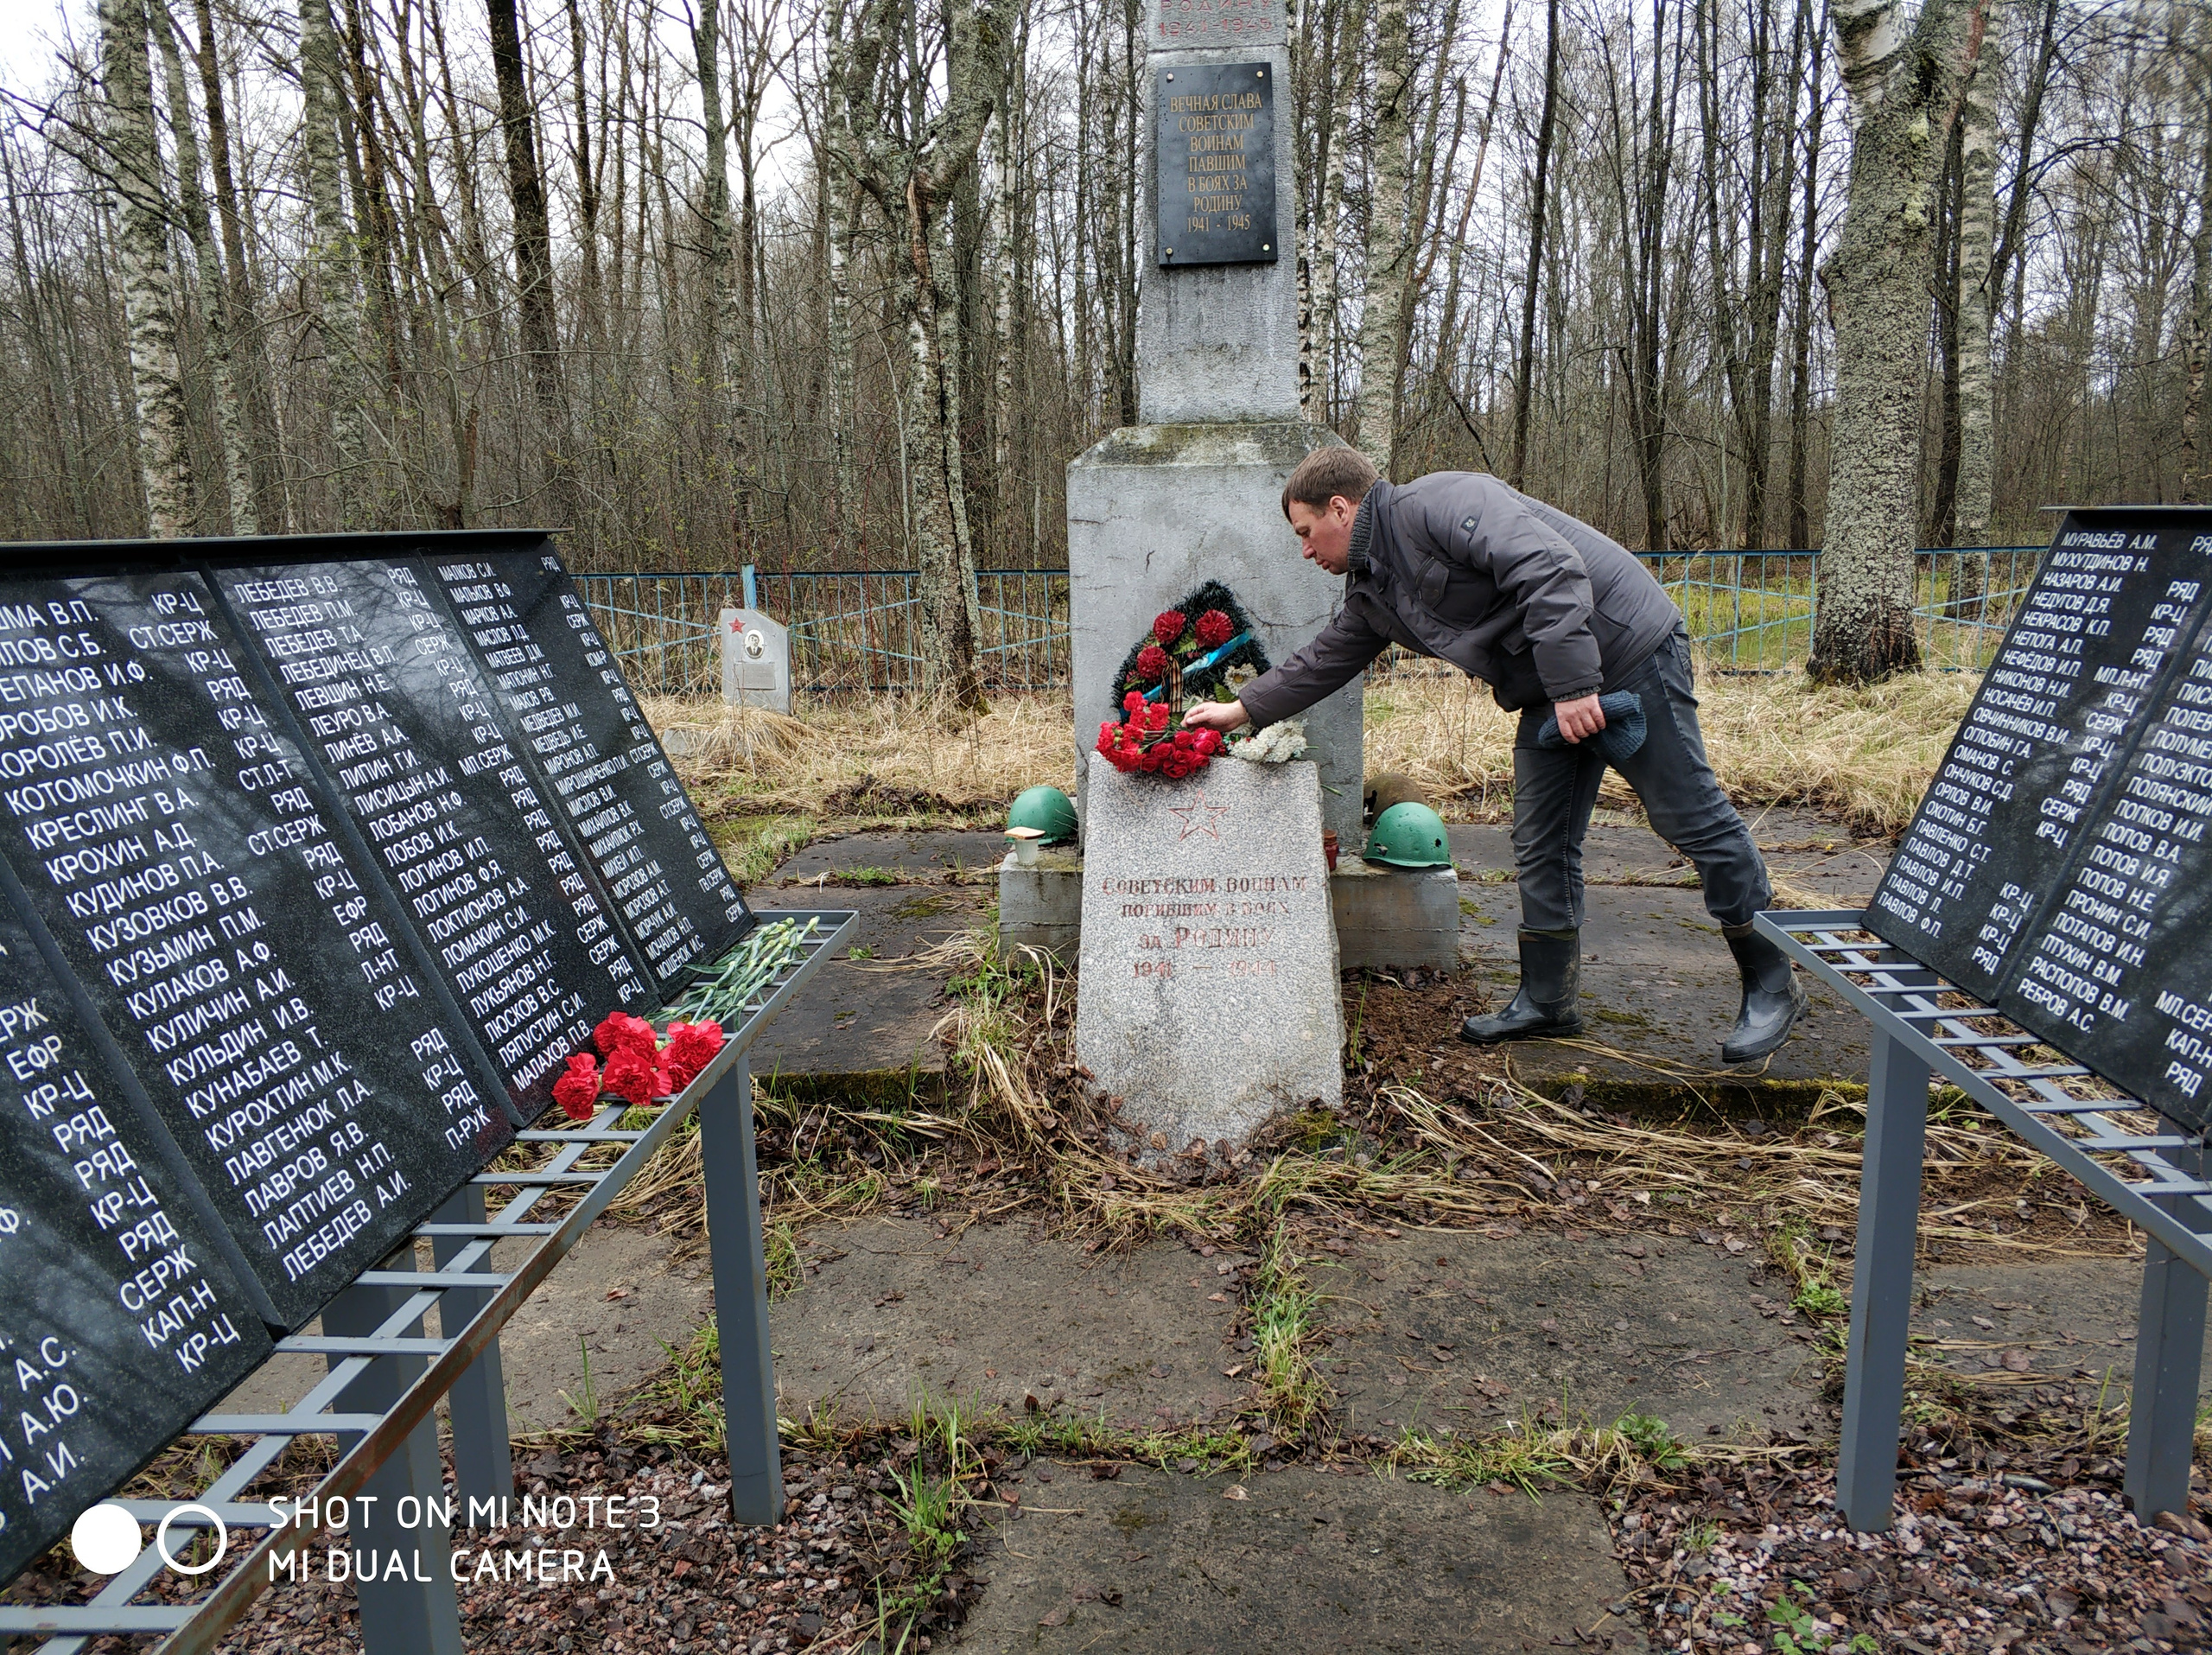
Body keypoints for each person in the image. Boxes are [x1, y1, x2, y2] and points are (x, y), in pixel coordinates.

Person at [1182, 447, 1806, 1063]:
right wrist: (1243, 709)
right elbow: (1328, 656)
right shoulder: (1376, 586)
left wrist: (1575, 685)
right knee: (1541, 837)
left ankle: (1773, 978)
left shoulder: (1442, 502)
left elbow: (1550, 568)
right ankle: (1548, 997)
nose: (1306, 551)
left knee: (1686, 815)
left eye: (1307, 532)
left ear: (1340, 508)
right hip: (1553, 686)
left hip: (1624, 649)